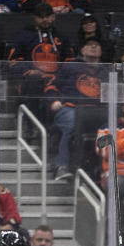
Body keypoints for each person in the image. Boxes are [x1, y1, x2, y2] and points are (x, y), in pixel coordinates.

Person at [46, 38, 108, 181]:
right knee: (72, 124)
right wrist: (53, 101)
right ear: (82, 50)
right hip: (70, 109)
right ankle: (61, 166)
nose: (94, 47)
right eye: (89, 45)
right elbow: (51, 85)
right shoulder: (70, 66)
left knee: (111, 130)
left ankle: (105, 170)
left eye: (97, 45)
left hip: (97, 113)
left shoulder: (106, 71)